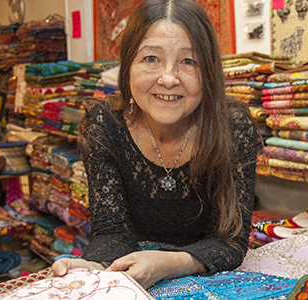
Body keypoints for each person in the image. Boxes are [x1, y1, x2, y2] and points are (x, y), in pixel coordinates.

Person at [51, 0, 260, 289]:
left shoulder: (234, 129)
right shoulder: (105, 125)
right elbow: (112, 232)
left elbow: (231, 242)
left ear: (208, 71)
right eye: (151, 58)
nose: (169, 78)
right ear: (128, 65)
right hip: (136, 278)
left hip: (210, 278)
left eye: (189, 61)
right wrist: (94, 267)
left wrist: (168, 264)